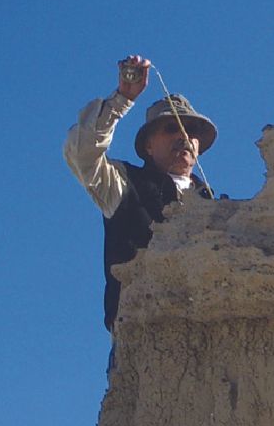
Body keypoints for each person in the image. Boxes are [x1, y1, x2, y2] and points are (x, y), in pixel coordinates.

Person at [64, 55, 216, 330]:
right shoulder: (123, 183)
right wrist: (122, 98)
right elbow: (81, 153)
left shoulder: (214, 203)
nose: (183, 136)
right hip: (144, 330)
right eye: (171, 128)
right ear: (148, 145)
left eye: (191, 130)